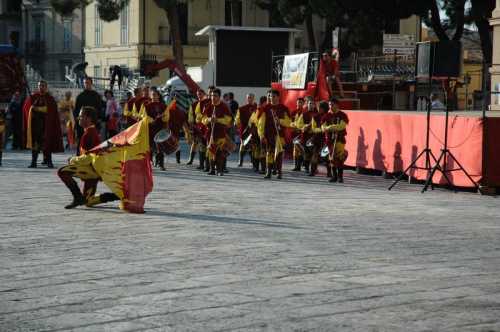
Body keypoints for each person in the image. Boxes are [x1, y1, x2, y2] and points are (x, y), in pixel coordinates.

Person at [57, 106, 119, 209]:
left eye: (81, 116)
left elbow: (89, 157)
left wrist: (72, 160)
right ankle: (117, 195)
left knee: (62, 172)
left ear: (88, 119)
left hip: (91, 170)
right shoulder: (91, 132)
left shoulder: (89, 134)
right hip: (93, 172)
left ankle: (77, 197)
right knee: (88, 201)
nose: (79, 118)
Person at [22, 80, 64, 168]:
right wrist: (32, 108)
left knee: (47, 144)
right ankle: (33, 162)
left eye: (43, 86)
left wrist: (41, 109)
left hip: (46, 125)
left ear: (46, 87)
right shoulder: (33, 97)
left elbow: (52, 111)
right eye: (40, 86)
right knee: (35, 144)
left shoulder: (50, 99)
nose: (41, 87)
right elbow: (26, 107)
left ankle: (49, 161)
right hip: (35, 125)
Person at [257, 89, 291, 179]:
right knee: (269, 153)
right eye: (270, 96)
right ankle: (268, 172)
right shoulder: (265, 108)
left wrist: (280, 121)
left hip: (280, 135)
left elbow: (289, 122)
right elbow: (261, 123)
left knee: (279, 153)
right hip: (268, 135)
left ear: (278, 97)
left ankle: (279, 172)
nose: (272, 98)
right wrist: (261, 134)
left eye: (274, 96)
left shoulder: (284, 108)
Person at [201, 88, 233, 176]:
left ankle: (219, 170)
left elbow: (228, 120)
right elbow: (202, 120)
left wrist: (217, 120)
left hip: (221, 133)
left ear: (219, 97)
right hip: (210, 133)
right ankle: (212, 169)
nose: (213, 97)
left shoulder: (224, 106)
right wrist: (209, 119)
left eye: (215, 96)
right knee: (211, 151)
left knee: (219, 152)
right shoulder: (207, 106)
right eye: (211, 95)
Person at [321, 97, 349, 183]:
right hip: (330, 140)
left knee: (340, 157)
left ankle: (340, 177)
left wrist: (331, 127)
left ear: (337, 105)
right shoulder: (326, 116)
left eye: (332, 105)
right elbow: (323, 128)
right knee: (331, 158)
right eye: (329, 105)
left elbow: (342, 126)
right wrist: (328, 128)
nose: (330, 106)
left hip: (339, 139)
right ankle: (334, 176)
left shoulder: (342, 115)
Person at [74, 77, 104, 154]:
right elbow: (76, 111)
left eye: (88, 83)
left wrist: (98, 120)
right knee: (81, 142)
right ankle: (79, 160)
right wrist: (78, 121)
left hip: (93, 124)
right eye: (85, 83)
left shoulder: (96, 96)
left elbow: (100, 109)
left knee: (93, 144)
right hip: (82, 124)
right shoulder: (80, 96)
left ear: (91, 84)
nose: (86, 84)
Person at [139, 89, 166, 170]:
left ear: (158, 96)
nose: (153, 96)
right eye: (152, 94)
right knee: (150, 147)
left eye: (155, 94)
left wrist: (163, 117)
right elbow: (143, 116)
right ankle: (149, 163)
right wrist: (150, 120)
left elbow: (167, 117)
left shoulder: (163, 106)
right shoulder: (147, 106)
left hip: (160, 128)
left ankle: (161, 164)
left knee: (160, 146)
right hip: (150, 128)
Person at [294, 96, 320, 175]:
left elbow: (319, 125)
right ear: (307, 104)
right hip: (305, 135)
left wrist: (311, 127)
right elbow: (299, 125)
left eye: (312, 104)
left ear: (315, 105)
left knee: (314, 153)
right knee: (304, 151)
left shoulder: (317, 114)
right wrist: (304, 127)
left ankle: (314, 168)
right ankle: (305, 166)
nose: (310, 105)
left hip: (314, 136)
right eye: (309, 103)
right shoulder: (304, 114)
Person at [195, 85, 215, 171]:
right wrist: (204, 118)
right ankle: (202, 165)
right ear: (208, 92)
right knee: (202, 146)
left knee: (212, 147)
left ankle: (212, 166)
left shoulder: (219, 103)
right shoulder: (202, 103)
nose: (211, 94)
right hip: (203, 128)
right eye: (210, 92)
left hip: (215, 129)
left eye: (213, 92)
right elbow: (197, 114)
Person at [234, 93, 257, 167]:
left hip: (254, 130)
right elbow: (237, 119)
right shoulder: (241, 108)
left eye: (251, 97)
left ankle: (253, 161)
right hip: (244, 130)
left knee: (253, 146)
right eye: (248, 97)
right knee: (243, 145)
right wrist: (237, 124)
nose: (249, 99)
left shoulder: (257, 108)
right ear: (246, 98)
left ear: (254, 98)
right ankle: (240, 161)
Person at [186, 89, 206, 166]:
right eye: (198, 94)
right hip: (196, 126)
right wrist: (191, 125)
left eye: (200, 94)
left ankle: (204, 162)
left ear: (204, 94)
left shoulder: (207, 103)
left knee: (204, 144)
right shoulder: (194, 104)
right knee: (195, 143)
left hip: (205, 126)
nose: (199, 95)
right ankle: (191, 159)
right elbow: (190, 116)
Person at [290, 97, 305, 171]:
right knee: (295, 150)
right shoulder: (293, 112)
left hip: (302, 133)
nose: (299, 104)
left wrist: (300, 128)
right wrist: (294, 125)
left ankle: (302, 164)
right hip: (294, 133)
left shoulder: (305, 112)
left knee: (301, 149)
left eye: (301, 102)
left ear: (303, 103)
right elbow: (290, 122)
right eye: (298, 102)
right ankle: (296, 166)